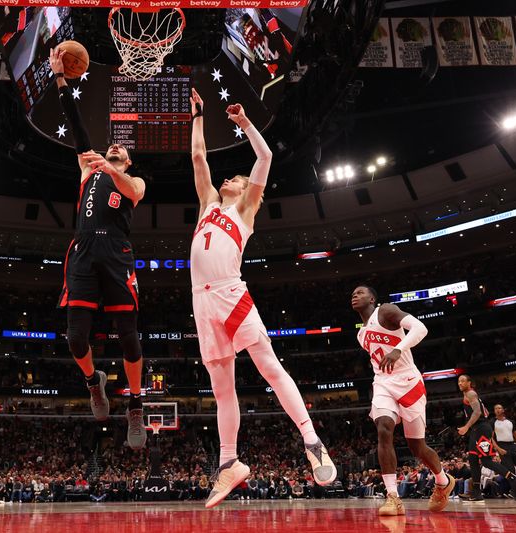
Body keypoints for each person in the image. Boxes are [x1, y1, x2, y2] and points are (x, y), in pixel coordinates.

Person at [189, 89, 336, 509]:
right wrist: (198, 115)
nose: (227, 179)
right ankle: (230, 463)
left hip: (232, 293)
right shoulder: (207, 206)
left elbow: (265, 158)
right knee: (222, 390)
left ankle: (312, 440)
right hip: (202, 303)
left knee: (269, 367)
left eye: (234, 178)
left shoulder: (245, 209)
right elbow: (199, 159)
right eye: (229, 177)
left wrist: (245, 123)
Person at [49, 46, 146, 449]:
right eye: (112, 149)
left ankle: (136, 405)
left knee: (129, 336)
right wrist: (59, 78)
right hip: (84, 250)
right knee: (75, 340)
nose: (114, 149)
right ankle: (94, 383)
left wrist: (112, 169)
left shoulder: (134, 182)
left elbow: (130, 190)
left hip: (117, 252)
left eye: (121, 150)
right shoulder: (89, 166)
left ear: (127, 159)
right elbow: (75, 123)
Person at [351, 285, 455, 515]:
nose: (355, 295)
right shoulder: (360, 335)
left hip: (408, 381)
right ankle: (393, 497)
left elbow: (420, 328)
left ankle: (443, 480)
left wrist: (398, 349)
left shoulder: (386, 311)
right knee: (384, 428)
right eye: (352, 294)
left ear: (372, 298)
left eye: (360, 292)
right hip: (383, 383)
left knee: (417, 446)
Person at [457, 375, 516, 501]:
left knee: (486, 461)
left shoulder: (470, 393)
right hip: (476, 430)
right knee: (473, 459)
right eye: (458, 381)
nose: (460, 383)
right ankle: (476, 492)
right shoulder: (467, 394)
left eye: (463, 381)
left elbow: (477, 412)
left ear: (469, 383)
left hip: (482, 429)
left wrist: (466, 426)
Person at [492, 404, 516, 477]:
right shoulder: (492, 422)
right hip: (502, 446)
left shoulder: (510, 421)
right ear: (494, 411)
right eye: (496, 409)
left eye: (499, 408)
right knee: (510, 470)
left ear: (503, 410)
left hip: (512, 445)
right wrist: (498, 449)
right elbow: (490, 438)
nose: (497, 410)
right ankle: (514, 487)